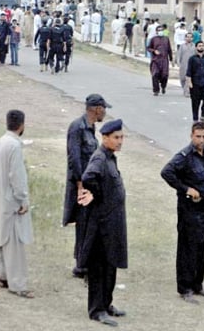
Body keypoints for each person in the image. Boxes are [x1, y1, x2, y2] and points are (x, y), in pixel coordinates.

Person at [77, 119, 127, 327]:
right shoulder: (99, 158)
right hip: (102, 224)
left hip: (113, 224)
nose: (120, 141)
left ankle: (106, 304)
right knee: (99, 268)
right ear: (105, 138)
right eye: (116, 138)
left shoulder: (110, 158)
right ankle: (97, 309)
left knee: (110, 265)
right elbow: (88, 177)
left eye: (122, 137)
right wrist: (98, 196)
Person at [160, 121, 204, 304]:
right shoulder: (184, 156)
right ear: (191, 136)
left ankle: (197, 284)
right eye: (198, 136)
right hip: (189, 210)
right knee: (188, 248)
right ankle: (185, 287)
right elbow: (167, 172)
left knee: (201, 247)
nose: (201, 140)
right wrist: (186, 189)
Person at [0, 110, 34, 298]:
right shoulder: (14, 145)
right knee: (14, 242)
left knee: (1, 238)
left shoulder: (1, 141)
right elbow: (17, 176)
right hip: (11, 199)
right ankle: (18, 284)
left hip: (0, 196)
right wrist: (23, 198)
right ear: (21, 125)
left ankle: (2, 275)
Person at [63, 94, 111, 279]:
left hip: (90, 185)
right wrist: (80, 185)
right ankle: (81, 265)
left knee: (89, 225)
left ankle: (84, 262)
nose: (105, 112)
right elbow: (74, 158)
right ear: (97, 109)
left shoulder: (90, 129)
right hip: (81, 185)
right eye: (104, 109)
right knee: (83, 225)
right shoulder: (77, 127)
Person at [186, 41, 204, 123]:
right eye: (199, 46)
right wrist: (189, 82)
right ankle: (195, 119)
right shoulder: (192, 59)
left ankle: (203, 115)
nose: (201, 47)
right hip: (195, 83)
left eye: (202, 46)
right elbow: (189, 72)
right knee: (195, 102)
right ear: (196, 47)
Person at [147, 24, 173, 96]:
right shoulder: (153, 39)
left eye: (161, 30)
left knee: (164, 75)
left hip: (164, 60)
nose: (160, 31)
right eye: (159, 30)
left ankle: (163, 86)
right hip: (156, 60)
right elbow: (148, 48)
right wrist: (154, 51)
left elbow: (169, 49)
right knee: (155, 74)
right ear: (156, 32)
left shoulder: (166, 39)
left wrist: (171, 58)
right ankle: (156, 90)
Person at [177, 32, 195, 97]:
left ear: (192, 38)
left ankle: (187, 91)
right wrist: (178, 62)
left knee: (189, 78)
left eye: (190, 37)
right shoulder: (182, 46)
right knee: (182, 78)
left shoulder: (194, 46)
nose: (189, 38)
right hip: (183, 65)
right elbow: (179, 55)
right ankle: (184, 89)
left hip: (192, 65)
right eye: (187, 37)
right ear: (185, 38)